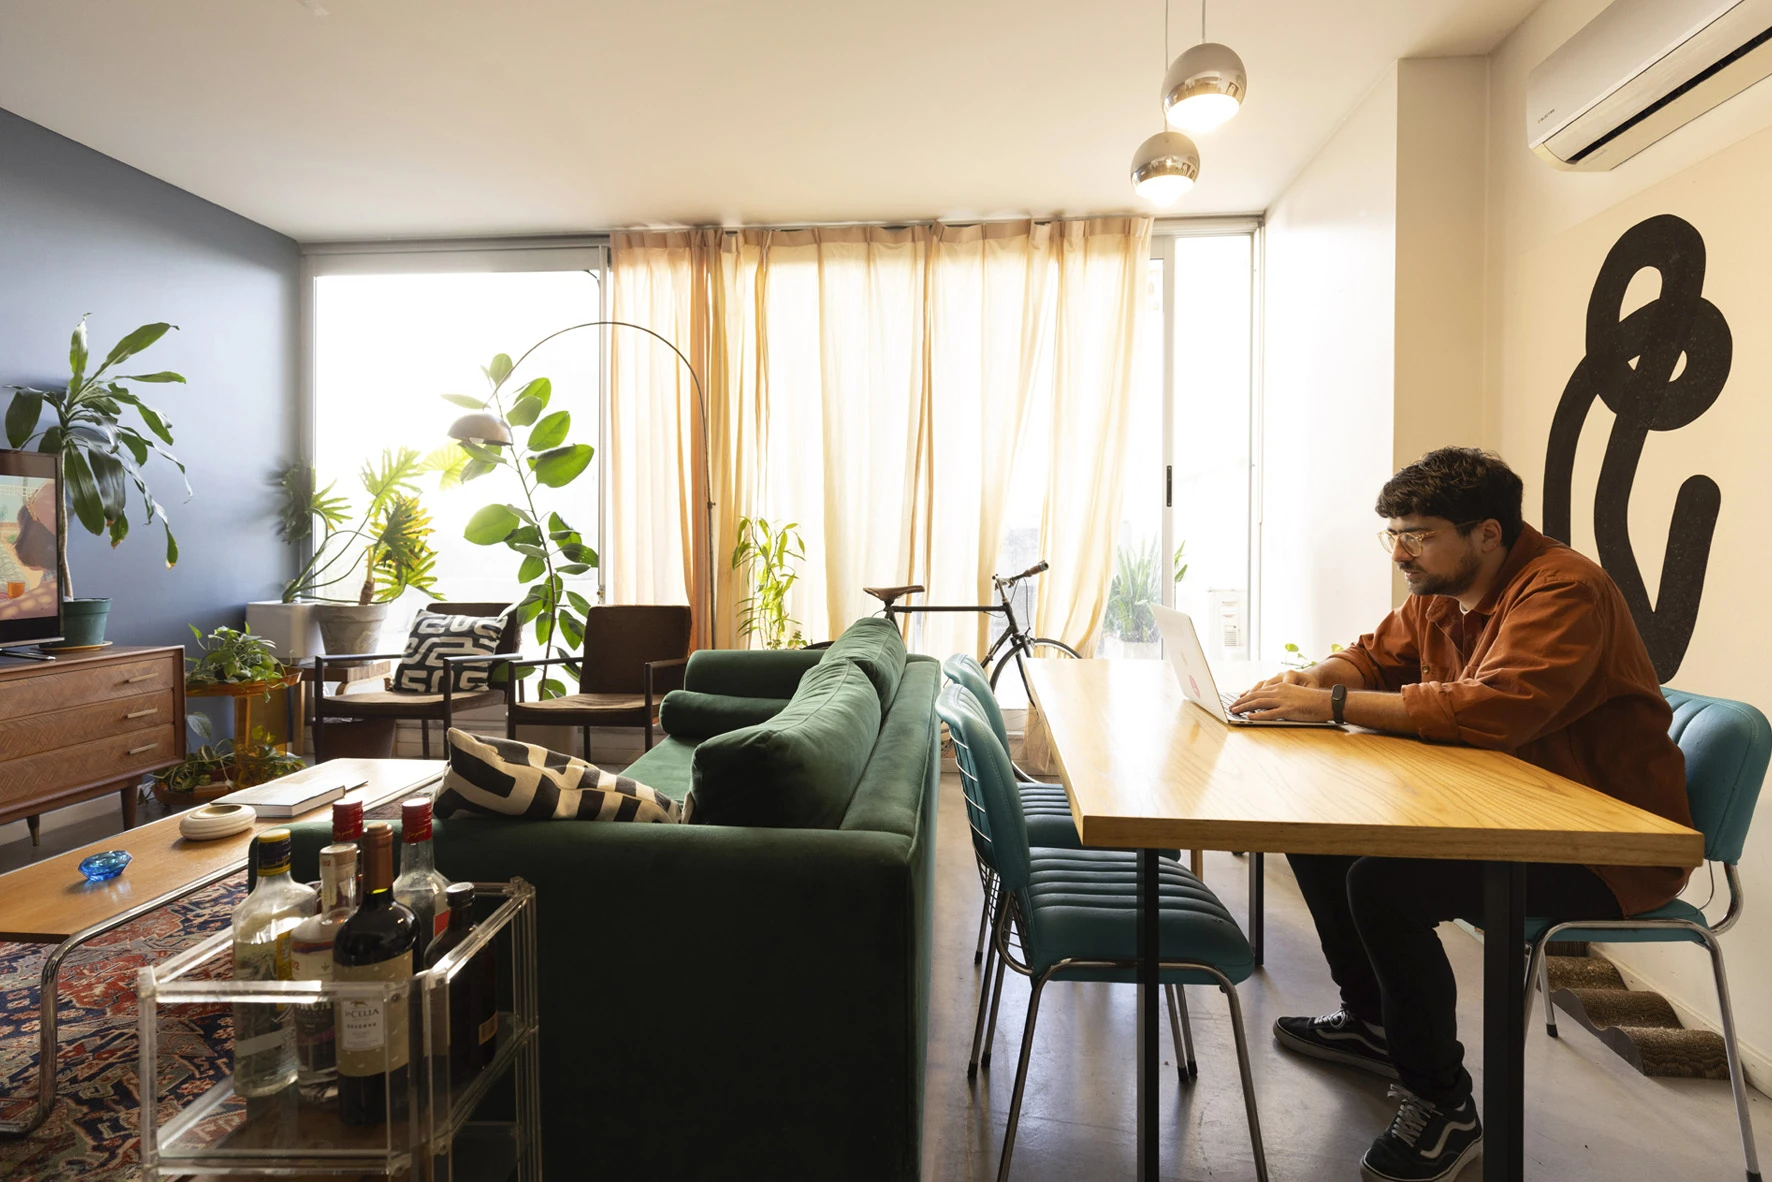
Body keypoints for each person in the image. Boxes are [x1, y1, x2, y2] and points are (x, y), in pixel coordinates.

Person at [1230, 447, 1691, 1182]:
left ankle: (1443, 1105)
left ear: (1487, 533)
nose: (1400, 555)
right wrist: (1318, 679)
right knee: (1318, 836)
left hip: (1601, 845)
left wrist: (1332, 704)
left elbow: (1491, 712)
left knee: (1385, 884)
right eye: (1393, 536)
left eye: (1418, 536)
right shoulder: (1441, 589)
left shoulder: (1565, 590)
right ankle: (1374, 1024)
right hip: (1505, 812)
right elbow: (1373, 657)